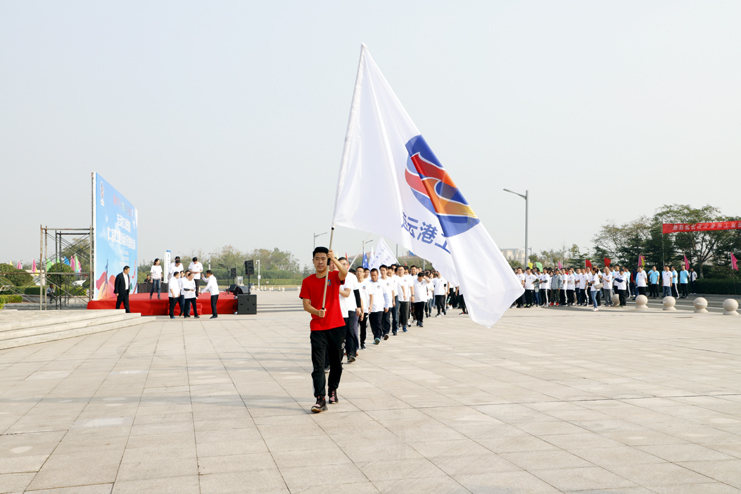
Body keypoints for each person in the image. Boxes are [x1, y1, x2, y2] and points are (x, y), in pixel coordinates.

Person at [300, 247, 347, 413]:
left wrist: (334, 259)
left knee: (336, 364)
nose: (320, 262)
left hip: (337, 326)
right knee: (318, 366)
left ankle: (332, 389)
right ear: (313, 261)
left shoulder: (333, 276)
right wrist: (316, 312)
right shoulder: (307, 281)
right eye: (317, 258)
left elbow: (344, 273)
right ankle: (320, 399)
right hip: (318, 328)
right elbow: (306, 305)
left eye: (323, 258)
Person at [338, 258, 359, 363]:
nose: (343, 265)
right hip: (338, 309)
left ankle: (351, 353)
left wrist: (359, 306)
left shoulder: (351, 276)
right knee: (340, 334)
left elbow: (356, 292)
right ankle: (339, 355)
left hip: (350, 307)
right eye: (340, 264)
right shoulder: (334, 276)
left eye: (344, 264)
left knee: (350, 331)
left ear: (348, 265)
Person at [368, 268, 384, 345]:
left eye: (374, 275)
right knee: (372, 324)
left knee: (378, 322)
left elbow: (386, 294)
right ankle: (375, 336)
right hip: (370, 307)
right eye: (372, 275)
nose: (373, 277)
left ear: (378, 275)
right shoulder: (368, 283)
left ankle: (378, 337)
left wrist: (387, 305)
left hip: (379, 306)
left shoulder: (381, 283)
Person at [356, 267, 371, 347]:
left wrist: (370, 305)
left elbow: (371, 295)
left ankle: (363, 342)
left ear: (364, 273)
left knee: (363, 327)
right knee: (354, 327)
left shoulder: (367, 283)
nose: (359, 273)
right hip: (355, 309)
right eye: (358, 271)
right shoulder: (354, 283)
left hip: (364, 309)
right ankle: (355, 344)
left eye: (361, 271)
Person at [379, 266, 395, 339]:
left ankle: (386, 332)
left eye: (384, 270)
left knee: (387, 318)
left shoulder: (390, 280)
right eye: (381, 270)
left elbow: (392, 291)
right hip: (380, 302)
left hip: (388, 302)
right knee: (381, 318)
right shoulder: (378, 280)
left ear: (386, 271)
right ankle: (382, 331)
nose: (382, 272)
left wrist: (393, 300)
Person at [396, 266, 411, 331]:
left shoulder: (408, 278)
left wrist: (412, 295)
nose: (400, 271)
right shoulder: (395, 278)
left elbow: (411, 286)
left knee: (405, 313)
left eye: (401, 269)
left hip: (406, 298)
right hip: (397, 298)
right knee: (397, 313)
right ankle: (397, 326)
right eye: (399, 269)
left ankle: (404, 326)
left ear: (404, 270)